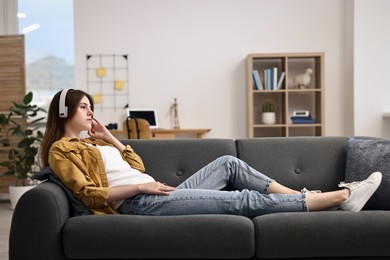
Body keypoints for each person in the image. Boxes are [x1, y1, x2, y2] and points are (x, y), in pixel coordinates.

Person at [40, 89, 382, 216]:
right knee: (242, 200)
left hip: (156, 192)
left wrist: (111, 140)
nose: (90, 113)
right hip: (139, 204)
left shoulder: (94, 144)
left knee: (229, 163)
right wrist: (141, 187)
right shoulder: (61, 150)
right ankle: (337, 199)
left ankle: (303, 197)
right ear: (63, 112)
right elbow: (89, 195)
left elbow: (136, 165)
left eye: (90, 107)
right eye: (83, 107)